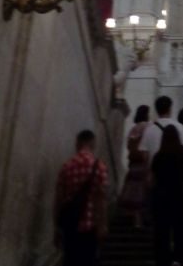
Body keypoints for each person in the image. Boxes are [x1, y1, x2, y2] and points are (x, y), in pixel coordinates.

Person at [53, 129, 108, 266]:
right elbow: (101, 199)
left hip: (70, 226)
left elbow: (58, 199)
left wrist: (57, 227)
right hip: (90, 227)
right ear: (92, 143)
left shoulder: (66, 167)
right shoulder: (99, 167)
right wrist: (102, 225)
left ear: (77, 143)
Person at [150, 124, 183, 266]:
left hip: (161, 196)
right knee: (180, 230)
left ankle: (163, 259)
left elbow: (152, 178)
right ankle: (178, 259)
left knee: (162, 231)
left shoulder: (158, 157)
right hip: (179, 195)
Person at [119, 104, 150, 229]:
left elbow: (128, 145)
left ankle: (134, 218)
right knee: (143, 191)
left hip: (133, 163)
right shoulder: (148, 127)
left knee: (134, 191)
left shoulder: (133, 128)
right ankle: (141, 219)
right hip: (143, 163)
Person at [140, 95, 183, 166]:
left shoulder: (148, 130)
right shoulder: (179, 127)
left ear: (156, 110)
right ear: (170, 109)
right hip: (174, 168)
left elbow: (144, 154)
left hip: (156, 169)